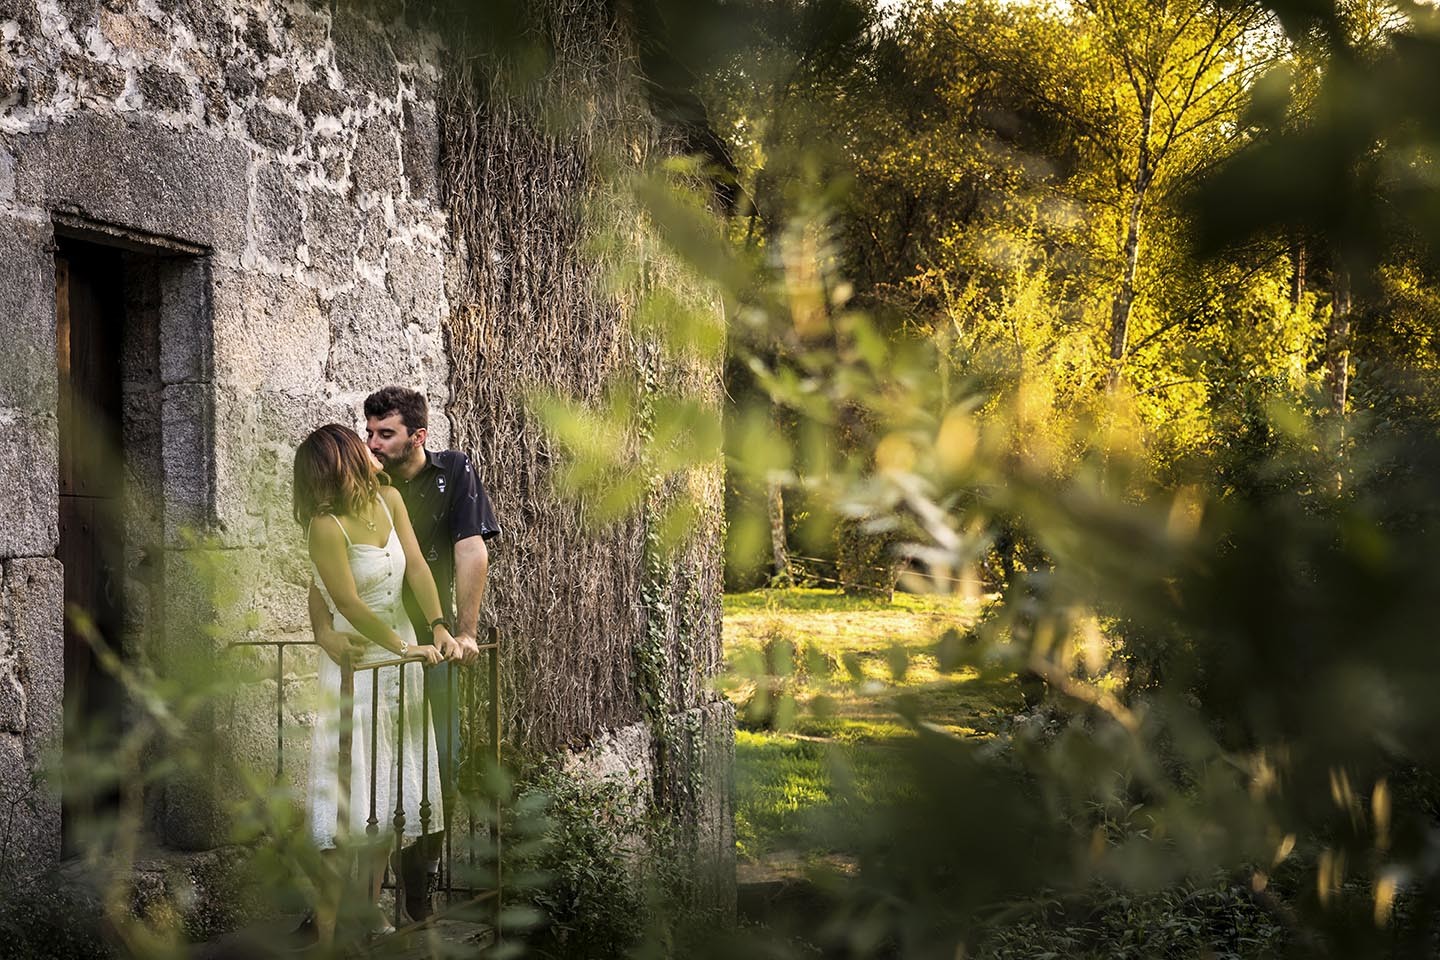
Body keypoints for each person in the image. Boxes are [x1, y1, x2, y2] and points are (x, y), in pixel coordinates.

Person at [310, 386, 500, 920]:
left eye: (385, 434)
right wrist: (326, 635)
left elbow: (468, 550)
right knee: (360, 773)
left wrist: (458, 630)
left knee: (429, 765)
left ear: (417, 436)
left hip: (428, 649)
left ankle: (416, 890)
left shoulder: (451, 474)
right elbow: (325, 585)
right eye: (367, 433)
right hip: (377, 649)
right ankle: (340, 908)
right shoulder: (354, 497)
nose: (373, 443)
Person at [293, 424, 451, 938]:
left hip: (401, 658)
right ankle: (326, 925)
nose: (373, 446)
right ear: (342, 461)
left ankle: (369, 909)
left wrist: (438, 626)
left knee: (393, 789)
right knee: (350, 788)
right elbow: (346, 603)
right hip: (359, 666)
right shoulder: (325, 527)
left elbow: (418, 567)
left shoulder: (390, 501)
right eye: (361, 442)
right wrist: (403, 648)